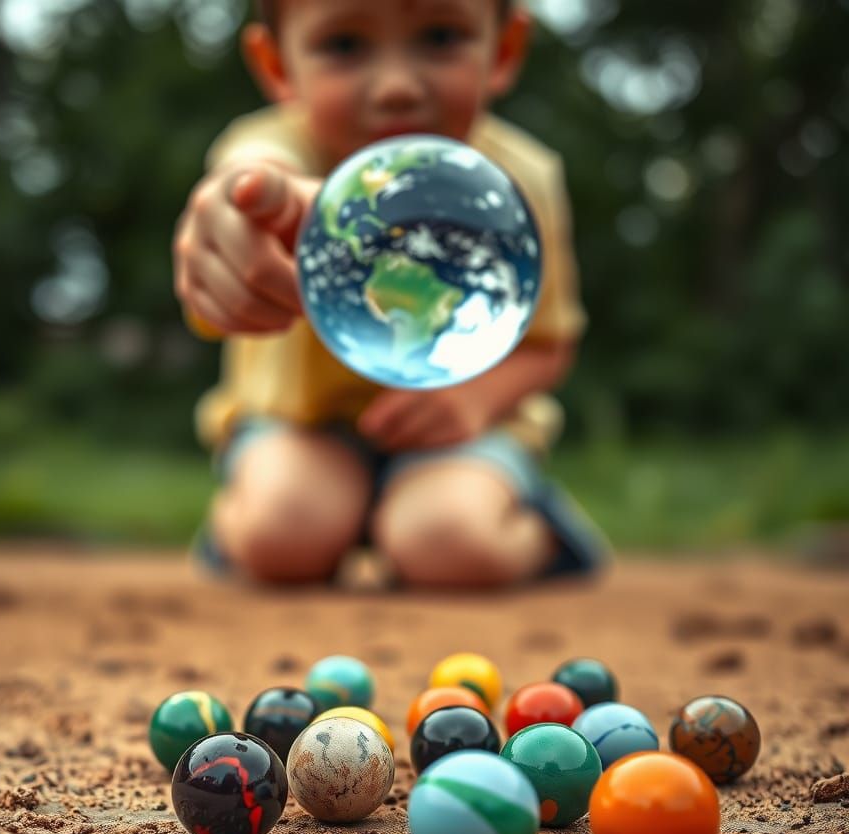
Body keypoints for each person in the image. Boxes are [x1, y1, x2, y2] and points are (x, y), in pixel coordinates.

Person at [172, 0, 608, 587]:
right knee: (283, 533)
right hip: (300, 428)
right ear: (277, 66)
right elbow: (253, 170)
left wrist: (473, 400)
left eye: (440, 36)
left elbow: (549, 343)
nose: (398, 87)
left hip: (461, 436)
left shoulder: (521, 184)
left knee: (450, 544)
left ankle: (545, 533)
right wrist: (242, 204)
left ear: (503, 51)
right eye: (345, 47)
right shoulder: (274, 142)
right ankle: (243, 523)